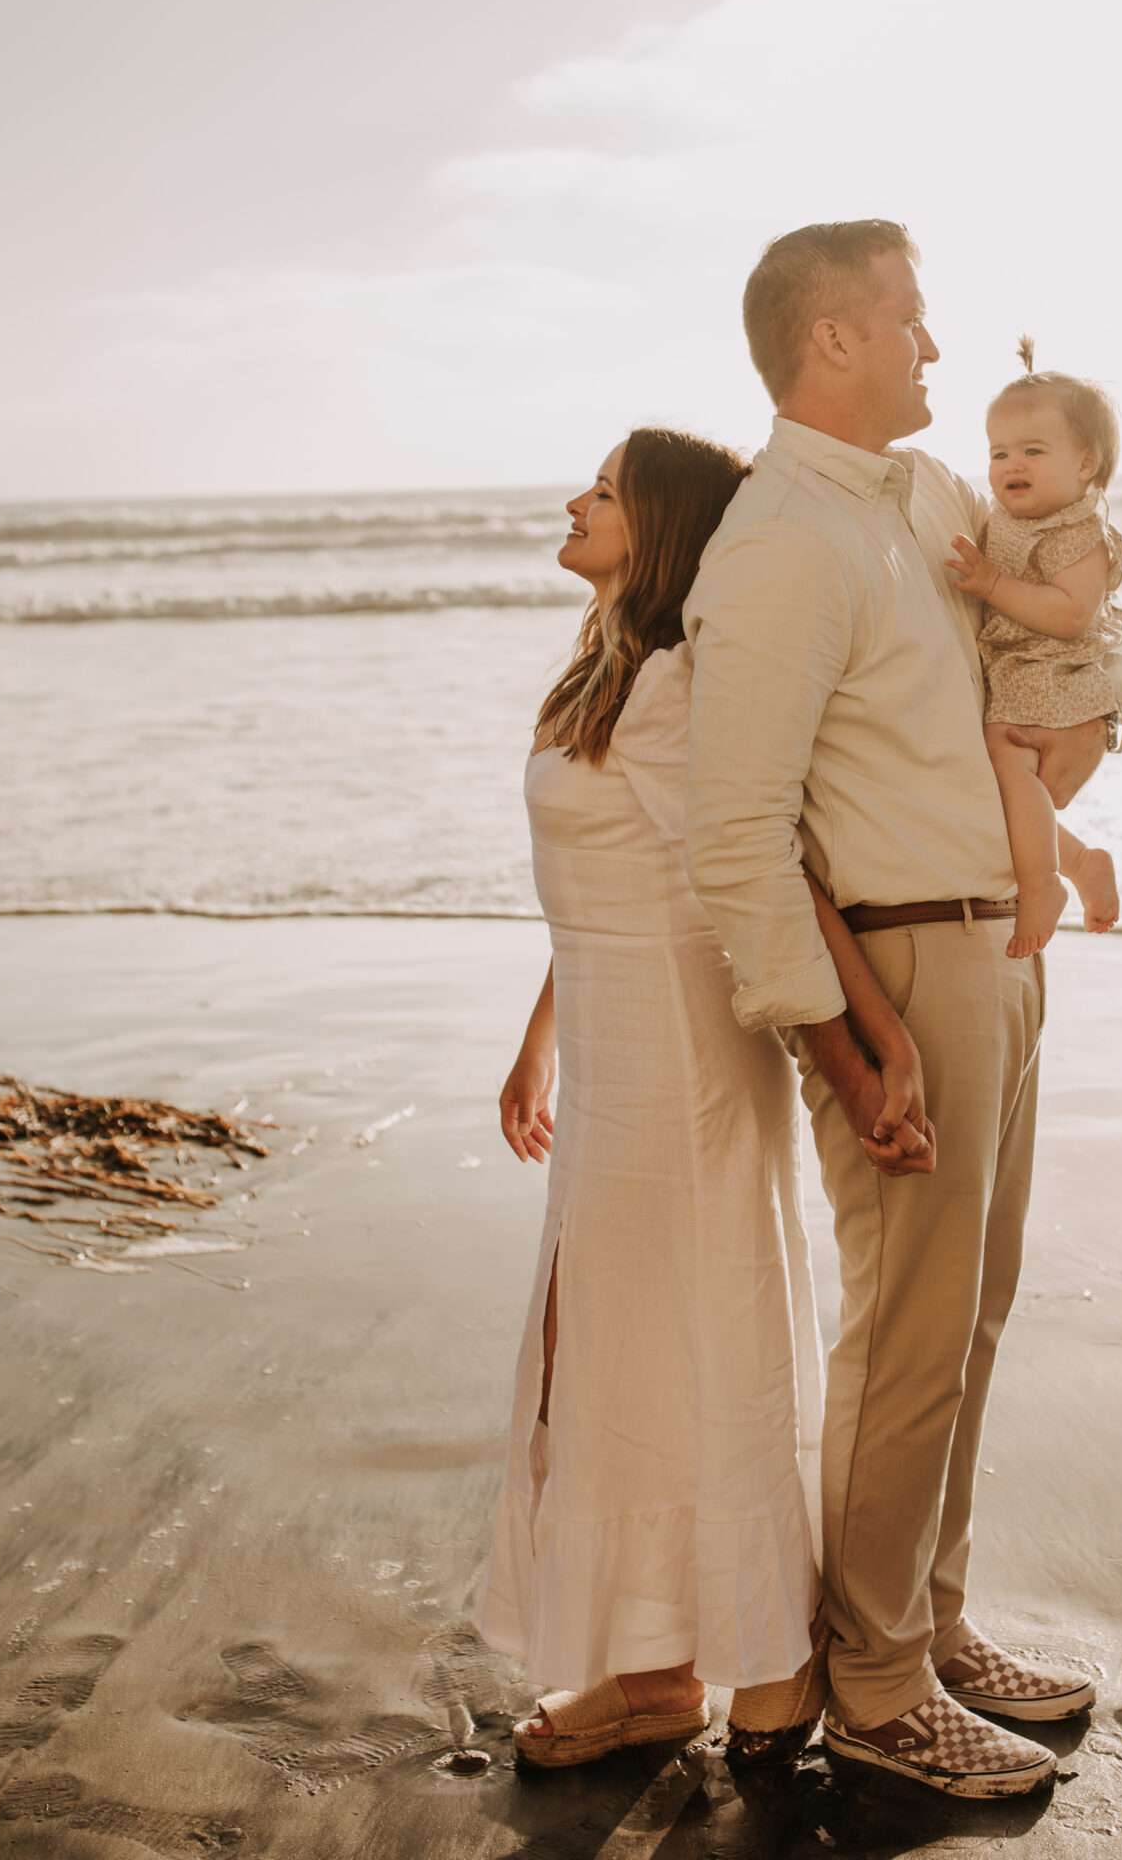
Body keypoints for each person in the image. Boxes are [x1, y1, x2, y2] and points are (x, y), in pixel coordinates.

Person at [683, 222, 1099, 1802]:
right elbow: (737, 830)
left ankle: (925, 1620)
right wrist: (841, 1043)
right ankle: (868, 1686)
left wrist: (1062, 836)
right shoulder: (778, 539)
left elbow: (981, 702)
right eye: (911, 323)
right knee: (905, 1334)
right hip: (901, 970)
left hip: (995, 946)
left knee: (970, 1316)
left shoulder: (922, 500)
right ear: (832, 341)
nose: (935, 351)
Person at [477, 426, 930, 1772]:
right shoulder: (605, 674)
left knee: (660, 1347)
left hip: (679, 1066)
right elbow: (600, 882)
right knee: (614, 1345)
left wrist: (862, 1052)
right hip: (611, 1040)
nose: (573, 499)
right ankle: (657, 1670)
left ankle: (710, 1672)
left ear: (658, 529)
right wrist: (536, 1039)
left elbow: (761, 874)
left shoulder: (677, 684)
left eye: (604, 492)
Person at [943, 342, 1122, 955]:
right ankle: (1078, 864)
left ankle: (1041, 882)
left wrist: (993, 584)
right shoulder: (1009, 519)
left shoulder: (1080, 531)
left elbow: (1074, 613)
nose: (1009, 465)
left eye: (1031, 450)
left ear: (1085, 464)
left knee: (1004, 767)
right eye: (999, 452)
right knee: (1006, 791)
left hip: (1055, 674)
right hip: (1028, 675)